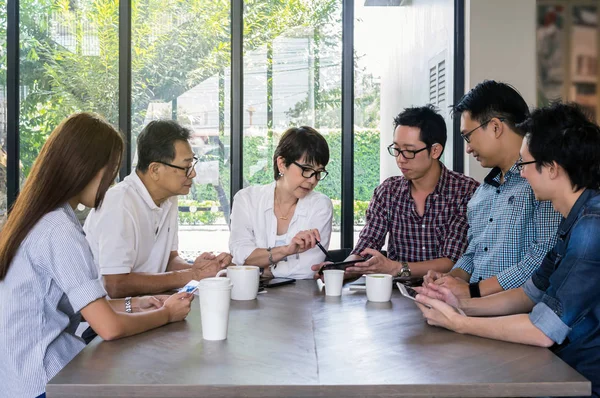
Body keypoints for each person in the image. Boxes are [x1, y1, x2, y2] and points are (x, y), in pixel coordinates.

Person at [0, 113, 193, 398]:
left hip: (16, 377)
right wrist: (166, 314)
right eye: (110, 171)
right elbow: (109, 328)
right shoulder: (59, 230)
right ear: (85, 169)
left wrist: (134, 304)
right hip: (42, 382)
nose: (111, 182)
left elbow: (88, 308)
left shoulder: (38, 217)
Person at [415, 102, 600, 397]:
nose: (522, 175)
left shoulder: (591, 227)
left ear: (551, 169)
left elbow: (542, 332)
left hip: (582, 380)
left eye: (525, 165)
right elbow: (530, 293)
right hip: (562, 368)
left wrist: (461, 323)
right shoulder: (575, 219)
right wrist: (458, 304)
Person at [424, 81, 562, 298]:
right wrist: (451, 279)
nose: (468, 148)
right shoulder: (481, 194)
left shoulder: (542, 182)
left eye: (468, 136)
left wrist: (473, 291)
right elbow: (472, 255)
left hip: (516, 317)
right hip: (473, 308)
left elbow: (543, 257)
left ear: (496, 127)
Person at [313, 105, 479, 278]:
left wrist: (397, 268)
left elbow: (451, 261)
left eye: (409, 151)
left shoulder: (465, 191)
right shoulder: (388, 191)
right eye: (397, 149)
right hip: (395, 295)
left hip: (445, 294)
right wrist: (341, 270)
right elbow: (366, 247)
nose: (400, 159)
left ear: (435, 150)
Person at [84, 120, 232, 298]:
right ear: (155, 170)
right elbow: (115, 285)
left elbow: (169, 261)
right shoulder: (119, 203)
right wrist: (192, 275)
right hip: (108, 317)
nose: (193, 174)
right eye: (186, 167)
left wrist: (203, 269)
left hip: (149, 307)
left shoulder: (169, 197)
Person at [229, 126, 332, 279]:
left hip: (303, 299)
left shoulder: (320, 205)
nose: (312, 180)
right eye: (306, 169)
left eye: (318, 172)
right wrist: (286, 250)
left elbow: (308, 269)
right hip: (248, 295)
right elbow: (241, 253)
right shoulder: (247, 199)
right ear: (282, 164)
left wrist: (262, 270)